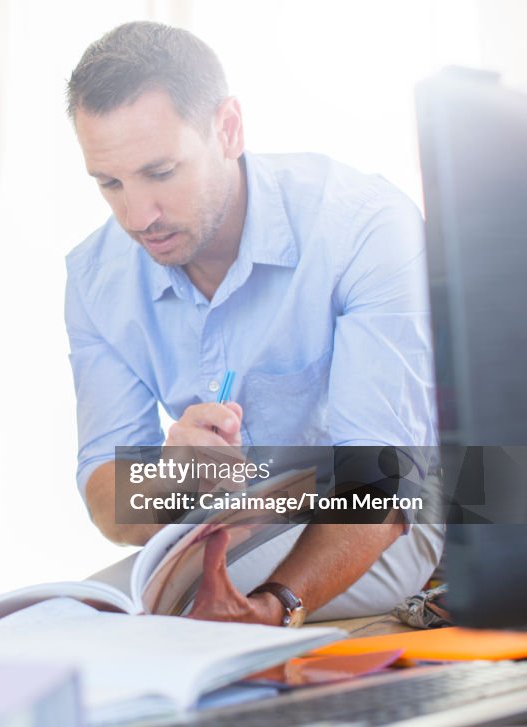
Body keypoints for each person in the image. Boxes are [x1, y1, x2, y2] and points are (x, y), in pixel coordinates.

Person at [64, 21, 443, 625]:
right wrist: (170, 479)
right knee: (73, 614)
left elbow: (383, 487)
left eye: (161, 173)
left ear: (229, 129)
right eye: (109, 183)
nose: (138, 217)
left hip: (399, 511)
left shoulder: (362, 227)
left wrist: (274, 606)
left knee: (151, 622)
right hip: (245, 523)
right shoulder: (95, 278)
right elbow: (110, 507)